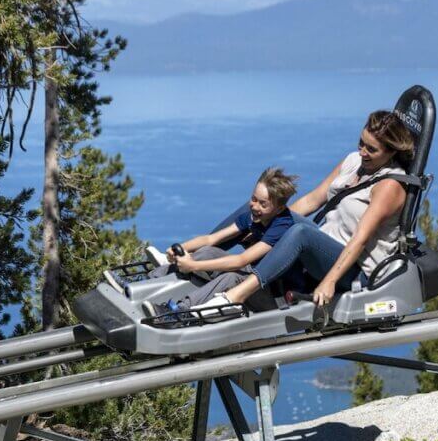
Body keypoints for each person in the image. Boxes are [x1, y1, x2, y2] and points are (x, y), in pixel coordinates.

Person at [191, 110, 415, 314]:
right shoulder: (353, 161)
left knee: (301, 233)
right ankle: (191, 257)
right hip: (324, 250)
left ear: (391, 152)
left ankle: (234, 296)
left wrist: (329, 281)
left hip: (353, 270)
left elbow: (359, 240)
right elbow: (312, 200)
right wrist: (272, 223)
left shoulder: (389, 186)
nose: (362, 152)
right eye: (361, 143)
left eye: (371, 149)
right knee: (260, 207)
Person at [141, 167, 302, 318]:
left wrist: (193, 266)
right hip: (254, 277)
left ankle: (179, 311)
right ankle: (145, 283)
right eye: (254, 199)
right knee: (208, 251)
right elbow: (211, 239)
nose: (255, 206)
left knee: (232, 278)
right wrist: (182, 247)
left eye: (263, 204)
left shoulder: (282, 226)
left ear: (279, 209)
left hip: (275, 298)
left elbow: (241, 261)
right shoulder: (255, 217)